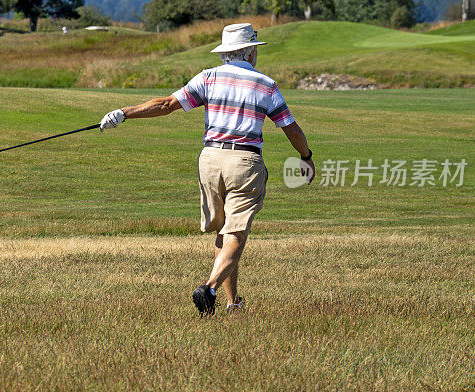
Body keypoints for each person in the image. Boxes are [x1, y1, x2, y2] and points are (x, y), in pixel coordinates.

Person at [99, 23, 316, 317]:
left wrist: (123, 113)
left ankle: (233, 302)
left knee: (223, 231)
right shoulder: (265, 84)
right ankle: (209, 288)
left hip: (210, 160)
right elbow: (289, 127)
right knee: (236, 234)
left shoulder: (208, 77)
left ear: (226, 52)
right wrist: (306, 155)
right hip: (245, 162)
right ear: (251, 51)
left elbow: (165, 105)